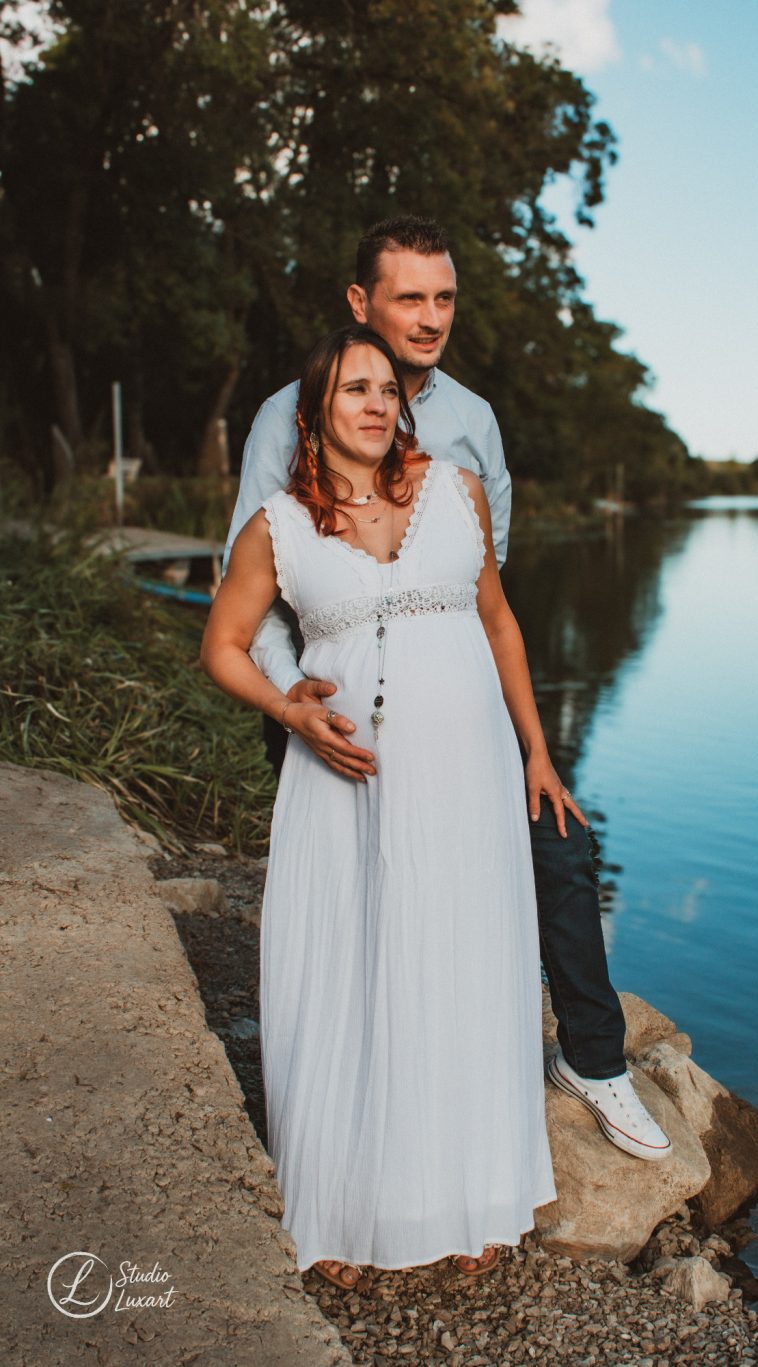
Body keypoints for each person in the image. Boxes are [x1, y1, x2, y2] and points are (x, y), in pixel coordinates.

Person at [224, 216, 671, 1166]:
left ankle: (589, 1061)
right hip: (326, 691)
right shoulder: (283, 415)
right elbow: (255, 575)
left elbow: (484, 583)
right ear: (360, 303)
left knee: (555, 841)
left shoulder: (471, 422)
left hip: (452, 688)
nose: (429, 319)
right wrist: (292, 696)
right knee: (357, 900)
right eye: (407, 298)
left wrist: (522, 738)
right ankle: (340, 1105)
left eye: (443, 298)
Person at [201, 323, 560, 1285]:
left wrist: (536, 750)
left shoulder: (457, 492)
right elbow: (223, 644)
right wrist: (287, 709)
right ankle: (347, 1206)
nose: (374, 401)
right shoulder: (275, 526)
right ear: (314, 413)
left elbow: (497, 620)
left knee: (464, 962)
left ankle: (472, 1190)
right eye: (352, 388)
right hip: (342, 782)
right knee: (347, 973)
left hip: (468, 776)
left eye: (385, 389)